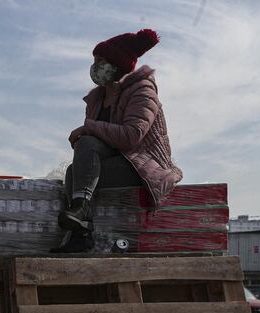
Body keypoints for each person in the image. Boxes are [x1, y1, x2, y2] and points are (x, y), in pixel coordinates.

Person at [53, 28, 183, 252]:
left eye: (100, 60)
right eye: (94, 60)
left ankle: (82, 213)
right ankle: (80, 234)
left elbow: (132, 136)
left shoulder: (142, 91)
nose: (95, 66)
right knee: (73, 172)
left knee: (86, 144)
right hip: (116, 160)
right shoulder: (97, 98)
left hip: (142, 165)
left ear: (116, 64)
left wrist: (88, 128)